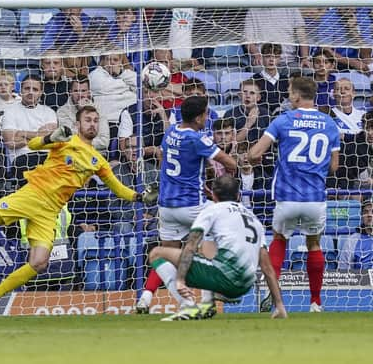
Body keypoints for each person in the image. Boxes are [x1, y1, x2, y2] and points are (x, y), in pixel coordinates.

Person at [0, 106, 159, 315]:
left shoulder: (98, 160)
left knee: (39, 262)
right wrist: (51, 137)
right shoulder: (65, 140)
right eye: (87, 120)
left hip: (50, 212)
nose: (92, 124)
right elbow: (35, 145)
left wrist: (139, 196)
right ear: (79, 124)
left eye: (95, 120)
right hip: (31, 194)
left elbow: (117, 188)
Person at [136, 95, 237, 314]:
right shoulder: (197, 139)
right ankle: (211, 298)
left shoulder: (170, 132)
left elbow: (163, 159)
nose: (208, 117)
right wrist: (224, 179)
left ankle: (160, 298)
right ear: (200, 117)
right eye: (207, 113)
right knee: (218, 235)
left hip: (167, 206)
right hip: (192, 205)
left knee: (166, 256)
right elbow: (230, 163)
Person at [248, 76, 340, 312]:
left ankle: (273, 294)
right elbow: (334, 166)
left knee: (279, 239)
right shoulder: (330, 123)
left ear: (297, 96)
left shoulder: (283, 120)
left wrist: (251, 157)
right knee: (314, 245)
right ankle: (316, 302)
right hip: (315, 197)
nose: (289, 96)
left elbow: (255, 153)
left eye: (290, 92)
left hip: (287, 196)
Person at [149, 176, 287, 320]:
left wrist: (180, 279)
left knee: (157, 253)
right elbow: (267, 267)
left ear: (213, 195)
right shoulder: (254, 219)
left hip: (223, 277)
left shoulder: (212, 210)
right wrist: (279, 305)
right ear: (238, 195)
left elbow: (191, 245)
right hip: (245, 285)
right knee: (210, 246)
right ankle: (209, 301)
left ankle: (187, 306)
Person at [338, 198, 373, 270]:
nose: (369, 215)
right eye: (366, 212)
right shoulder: (352, 241)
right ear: (362, 216)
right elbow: (343, 271)